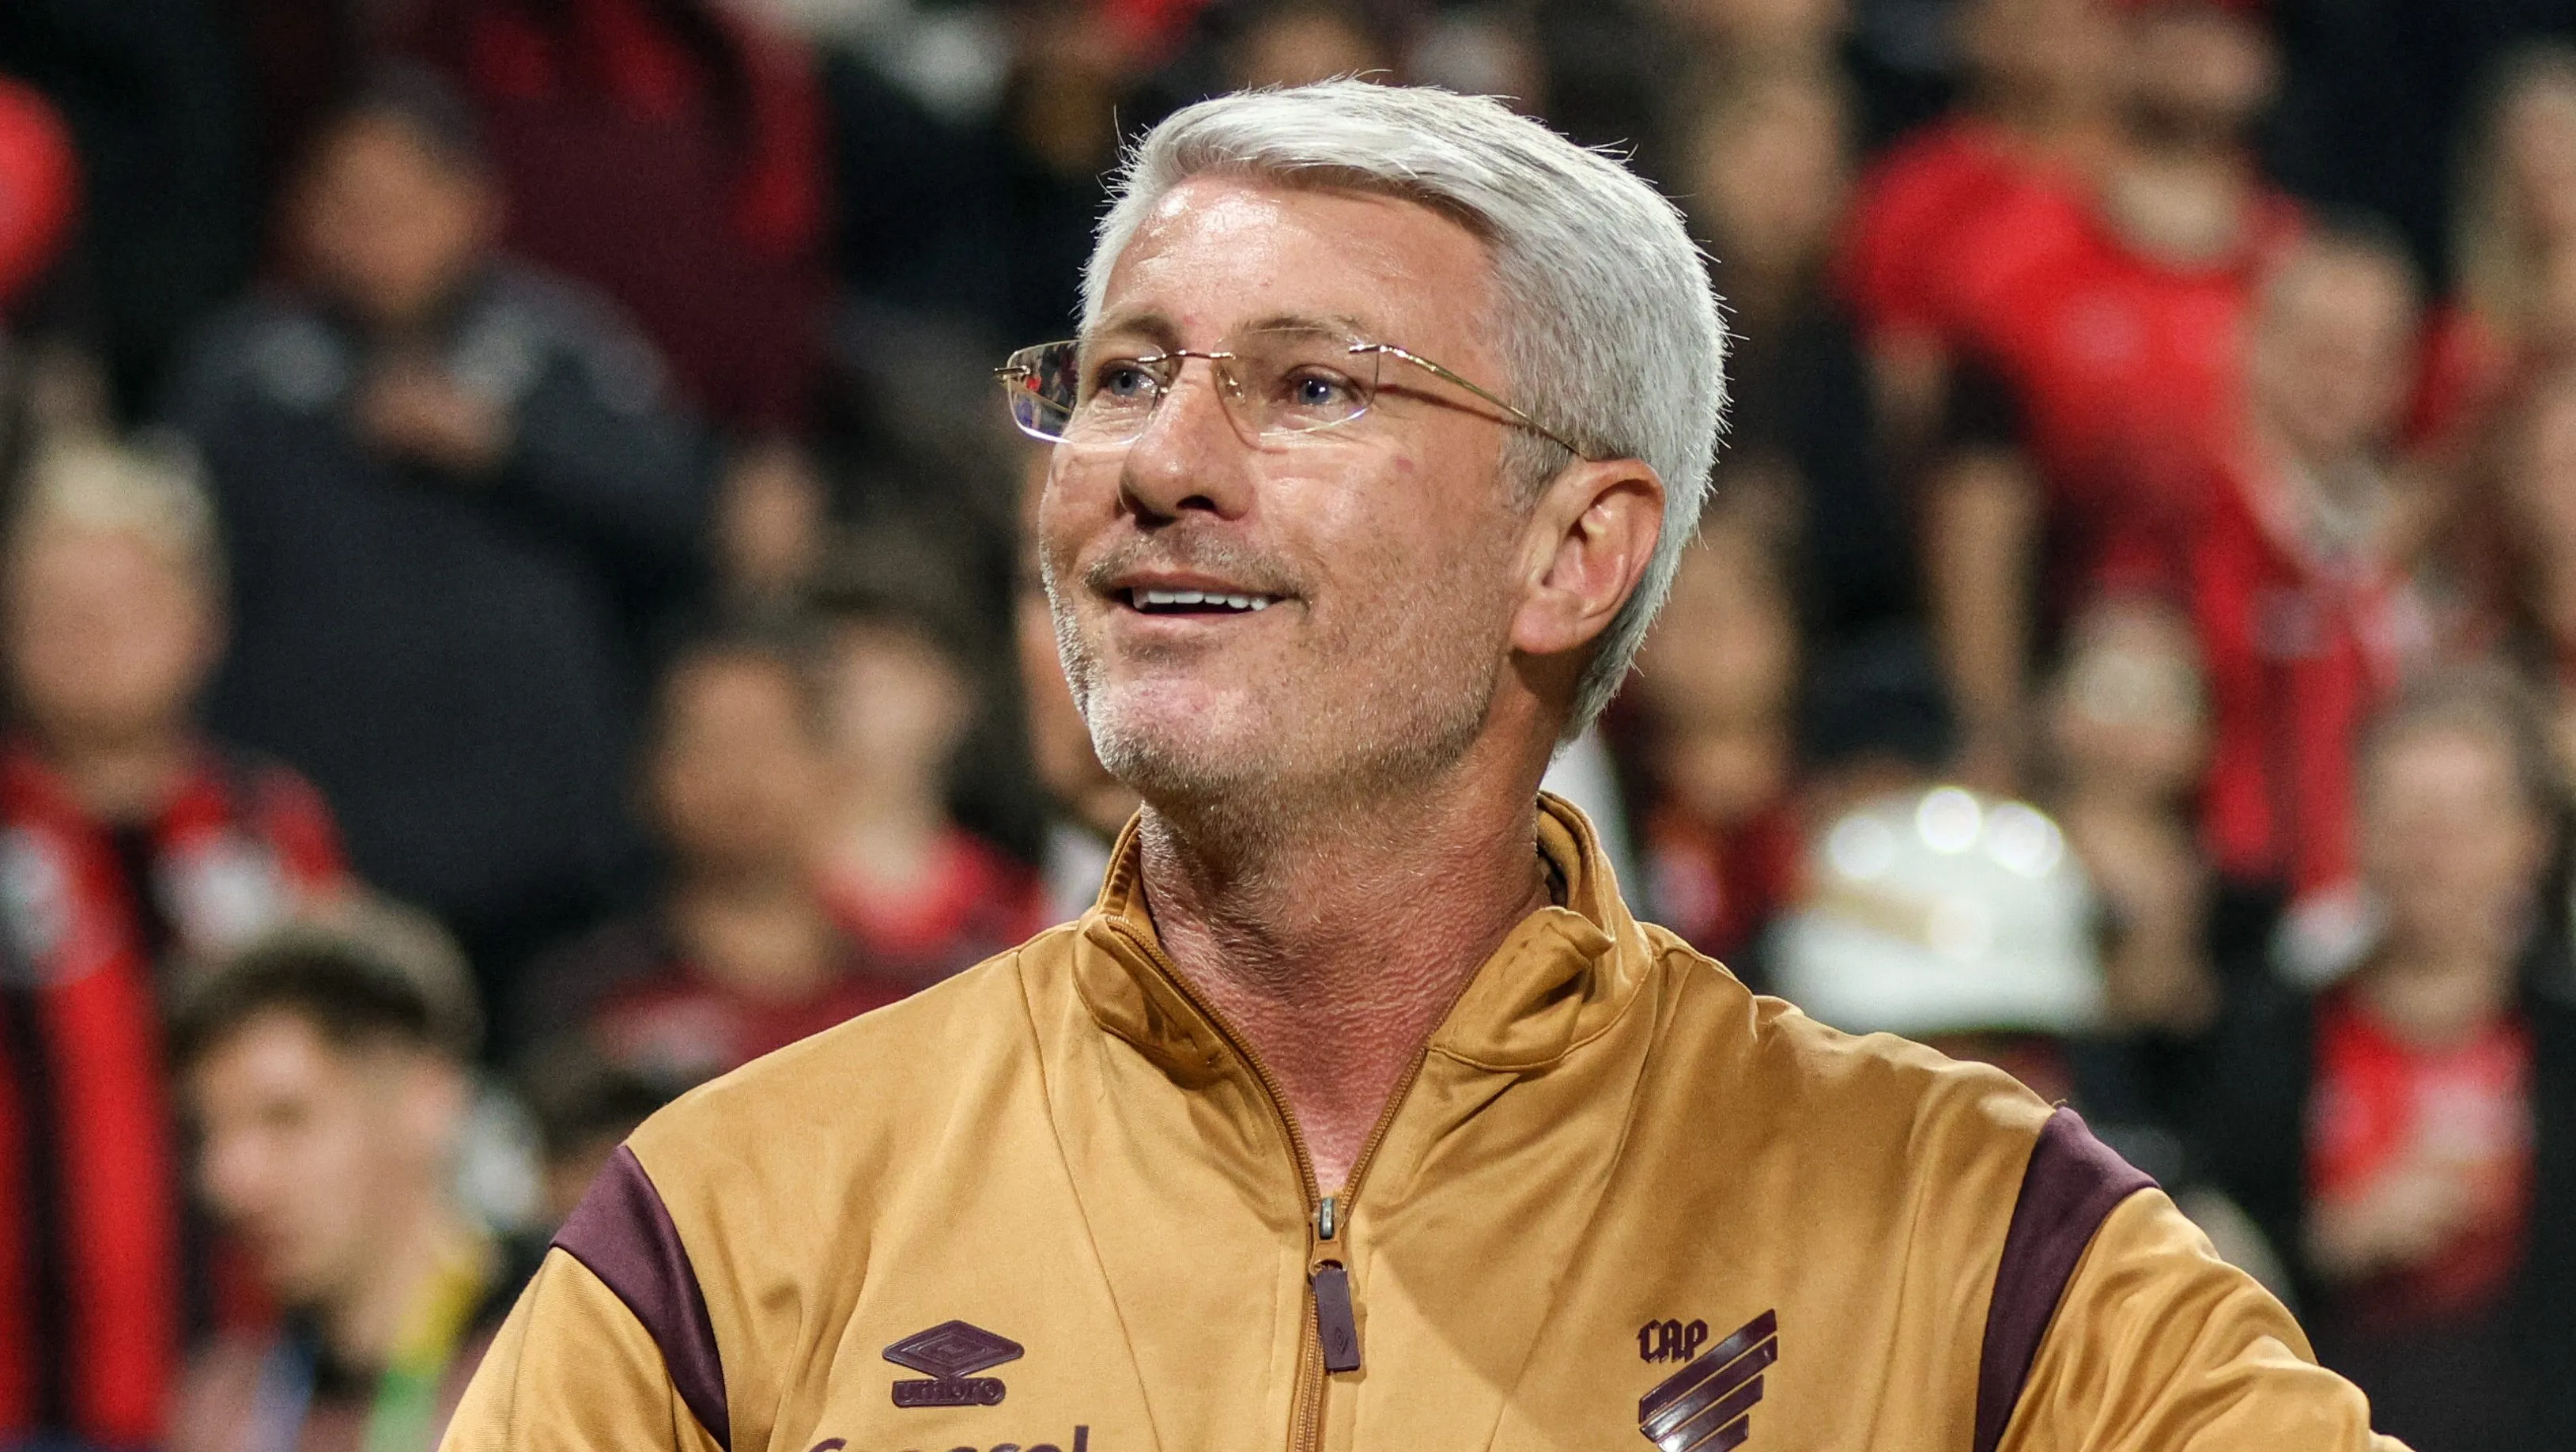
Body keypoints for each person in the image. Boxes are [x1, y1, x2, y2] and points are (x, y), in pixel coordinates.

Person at [448, 81, 2396, 1451]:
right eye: (1120, 374)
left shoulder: (1972, 1243)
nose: (1155, 462)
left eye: (1308, 386)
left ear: (1575, 551)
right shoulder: (725, 1230)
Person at [164, 74, 710, 993]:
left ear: (474, 205)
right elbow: (171, 567)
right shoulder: (241, 380)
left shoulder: (560, 353)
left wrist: (513, 449)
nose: (377, 236)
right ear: (302, 214)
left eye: (406, 203)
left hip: (555, 867)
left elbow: (686, 517)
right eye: (348, 204)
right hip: (318, 858)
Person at [0, 438, 347, 1450]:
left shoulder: (277, 834)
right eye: (57, 608)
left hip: (256, 1400)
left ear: (204, 624)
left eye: (128, 603)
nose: (92, 635)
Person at [2197, 668, 2576, 1448]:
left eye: (2465, 818)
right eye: (2403, 813)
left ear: (2532, 840)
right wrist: (2321, 1243)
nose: (2431, 849)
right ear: (2355, 826)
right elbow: (2199, 1273)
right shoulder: (2261, 1037)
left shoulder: (2565, 1043)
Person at [2102, 222, 2456, 979]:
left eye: (2373, 355)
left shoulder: (2420, 545)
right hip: (2240, 937)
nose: (2343, 377)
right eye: (2318, 345)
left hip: (2397, 928)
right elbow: (2112, 736)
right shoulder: (2180, 528)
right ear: (2254, 345)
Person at [166, 901, 532, 1452]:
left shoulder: (572, 1362)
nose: (230, 1178)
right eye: (207, 1134)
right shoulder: (223, 1412)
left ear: (427, 1098)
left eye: (285, 1117)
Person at [517, 625, 917, 1087]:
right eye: (708, 743)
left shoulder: (907, 997)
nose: (739, 776)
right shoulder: (592, 999)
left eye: (767, 741)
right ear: (651, 776)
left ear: (837, 769)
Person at [810, 539, 1049, 983]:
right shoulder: (764, 895)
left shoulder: (1015, 910)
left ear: (957, 697)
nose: (856, 699)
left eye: (889, 670)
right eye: (837, 669)